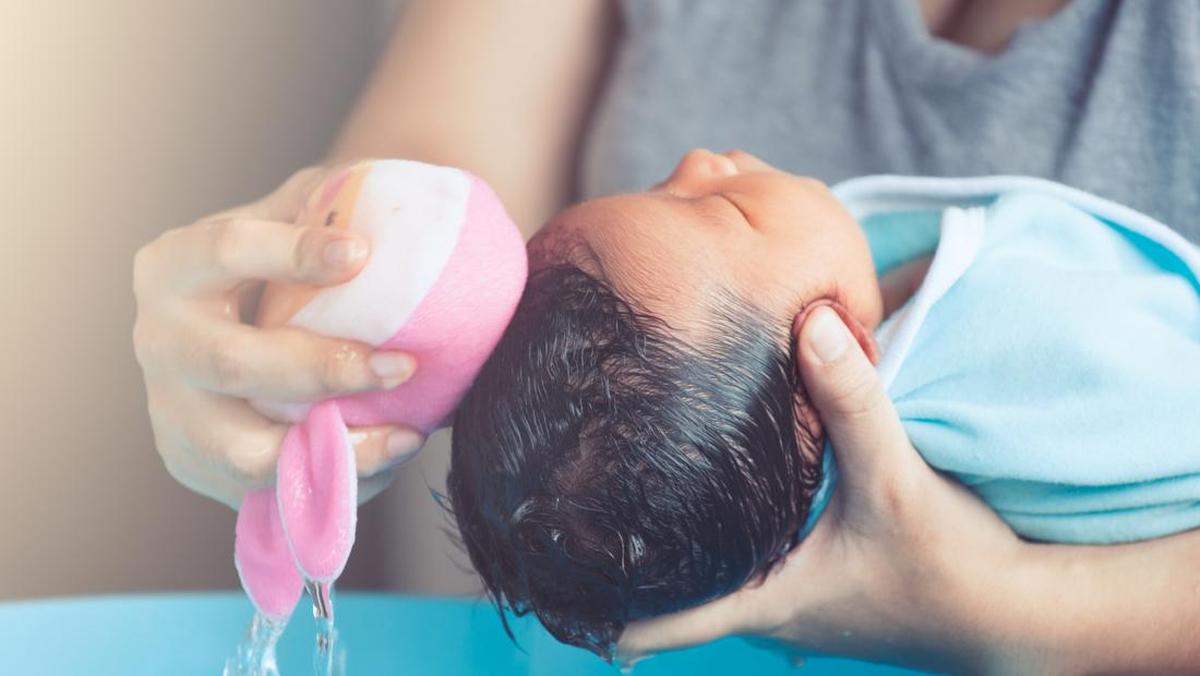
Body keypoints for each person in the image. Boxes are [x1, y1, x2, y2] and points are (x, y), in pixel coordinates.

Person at [131, 1, 1200, 671]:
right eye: (700, 203)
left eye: (711, 206)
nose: (698, 158)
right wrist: (325, 330)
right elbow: (438, 178)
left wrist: (1038, 617)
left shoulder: (1030, 336)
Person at [446, 147, 1200, 660]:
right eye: (724, 210)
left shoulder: (854, 287)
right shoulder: (1019, 342)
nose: (696, 161)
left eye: (659, 192)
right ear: (833, 350)